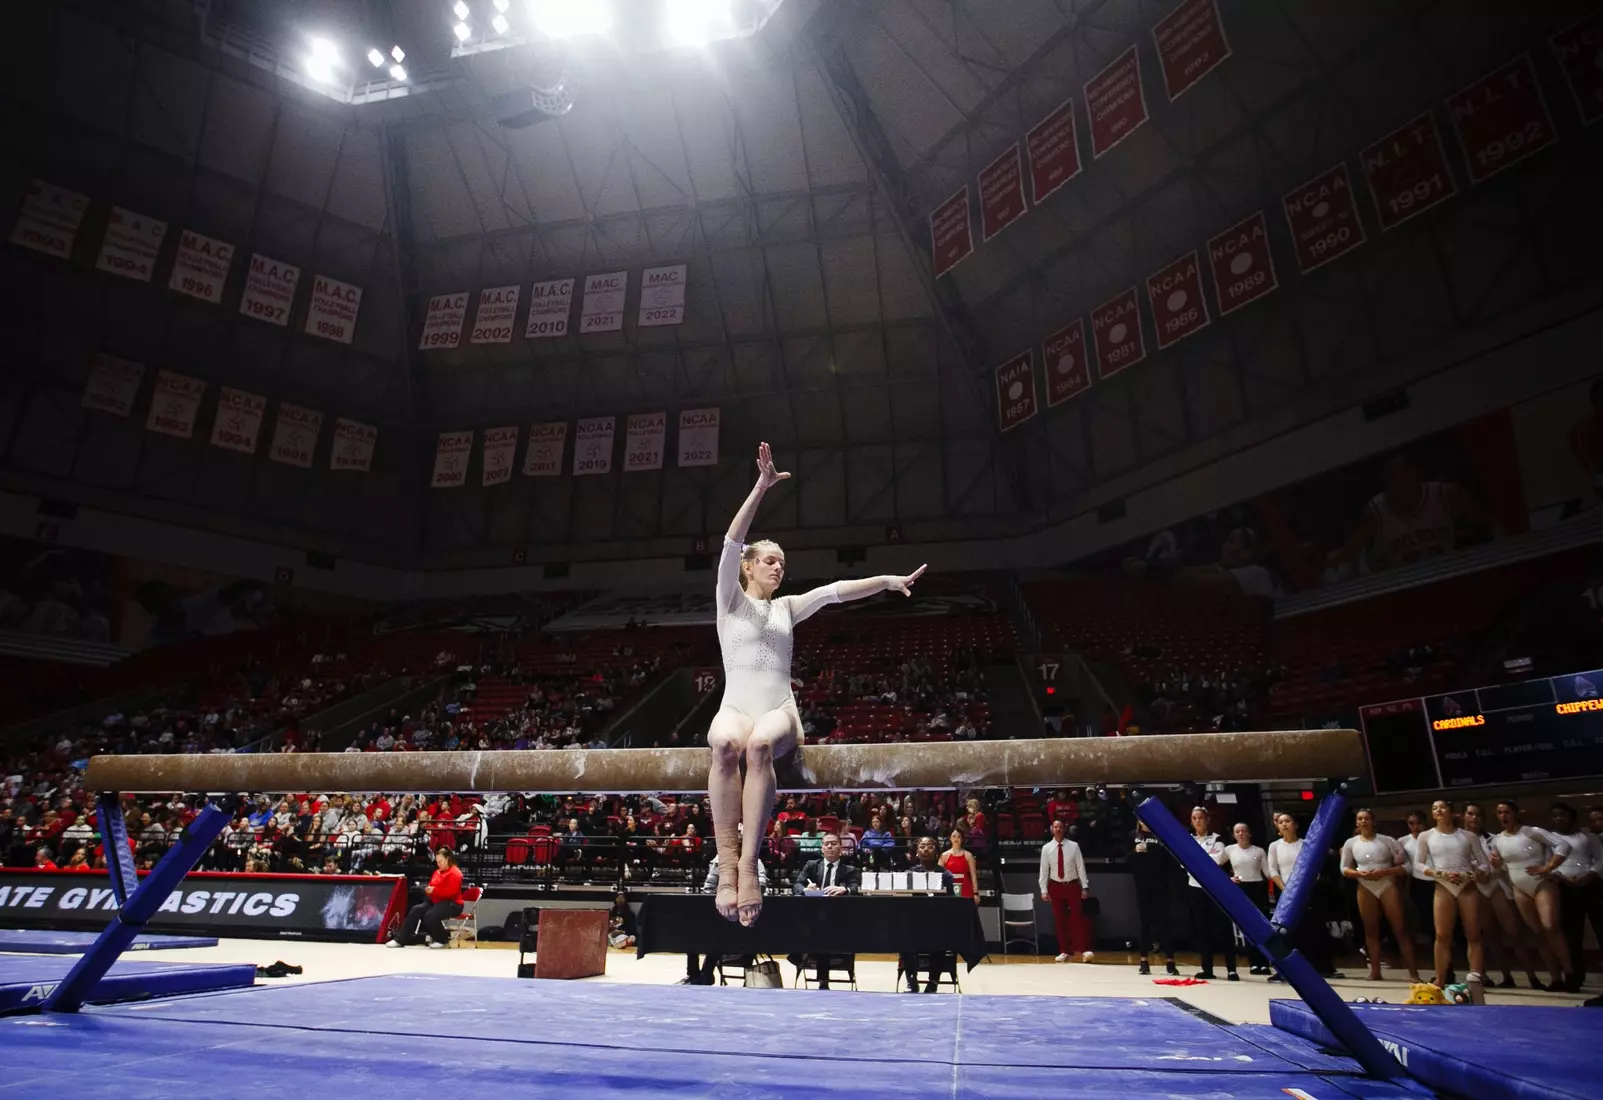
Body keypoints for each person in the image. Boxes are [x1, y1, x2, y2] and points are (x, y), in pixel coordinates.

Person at [708, 442, 926, 926]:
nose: (778, 567)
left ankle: (747, 867)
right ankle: (726, 863)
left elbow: (834, 593)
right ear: (747, 567)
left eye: (782, 563)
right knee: (724, 741)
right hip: (736, 706)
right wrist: (761, 487)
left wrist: (887, 580)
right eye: (769, 560)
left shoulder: (786, 608)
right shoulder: (729, 600)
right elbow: (730, 539)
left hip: (776, 710)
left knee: (761, 744)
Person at [1490, 800, 1572, 991]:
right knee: (1537, 933)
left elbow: (1563, 846)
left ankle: (1569, 972)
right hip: (1519, 887)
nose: (1503, 816)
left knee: (1550, 926)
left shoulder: (1531, 831)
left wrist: (1548, 867)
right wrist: (1497, 864)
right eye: (1500, 813)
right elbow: (1502, 866)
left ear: (1516, 813)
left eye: (1507, 812)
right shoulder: (1497, 839)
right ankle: (1555, 978)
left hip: (1542, 883)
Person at [1464, 802, 1541, 990]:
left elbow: (1501, 864)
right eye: (1470, 814)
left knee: (1514, 933)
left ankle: (1533, 977)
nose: (1474, 818)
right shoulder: (1459, 839)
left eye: (1478, 815)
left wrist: (1490, 870)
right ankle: (1506, 977)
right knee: (1490, 936)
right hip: (1475, 888)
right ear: (1463, 816)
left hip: (1497, 885)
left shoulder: (1493, 839)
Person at [1339, 809, 1419, 983]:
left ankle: (1413, 972)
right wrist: (1360, 874)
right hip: (1365, 885)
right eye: (1360, 819)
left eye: (1367, 818)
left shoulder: (1388, 841)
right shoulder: (1350, 843)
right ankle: (1375, 971)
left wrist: (1386, 871)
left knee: (1400, 929)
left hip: (1387, 884)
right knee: (1371, 930)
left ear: (1373, 821)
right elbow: (1344, 868)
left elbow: (1406, 866)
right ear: (1356, 823)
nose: (1364, 821)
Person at [1416, 799, 1488, 987]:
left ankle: (1476, 977)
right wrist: (1439, 873)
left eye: (1443, 807)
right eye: (1434, 808)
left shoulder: (1468, 836)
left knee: (1473, 934)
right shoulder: (1426, 836)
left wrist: (1468, 875)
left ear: (1452, 812)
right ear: (1433, 814)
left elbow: (1484, 863)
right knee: (1442, 935)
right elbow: (1418, 863)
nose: (1438, 810)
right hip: (1443, 886)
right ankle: (1440, 979)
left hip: (1466, 886)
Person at [1268, 811, 1342, 980]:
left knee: (1314, 928)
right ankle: (1285, 970)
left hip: (1307, 891)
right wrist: (1286, 889)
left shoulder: (1306, 844)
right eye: (1281, 822)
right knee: (1286, 931)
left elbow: (1314, 867)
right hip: (1286, 892)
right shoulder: (1275, 846)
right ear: (1277, 826)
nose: (1285, 824)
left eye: (1288, 820)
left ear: (1295, 824)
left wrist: (1304, 887)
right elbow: (1273, 870)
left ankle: (1322, 967)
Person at [791, 833, 860, 989]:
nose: (829, 846)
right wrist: (805, 889)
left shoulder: (849, 869)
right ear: (822, 848)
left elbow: (856, 888)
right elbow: (797, 885)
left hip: (838, 916)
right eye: (826, 844)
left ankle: (818, 975)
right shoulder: (811, 865)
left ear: (841, 848)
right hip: (814, 914)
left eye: (834, 843)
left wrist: (845, 889)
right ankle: (803, 959)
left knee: (823, 934)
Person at [1549, 801, 1603, 990]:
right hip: (1565, 889)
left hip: (1591, 886)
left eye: (1562, 815)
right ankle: (1574, 978)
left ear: (1571, 817)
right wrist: (1561, 877)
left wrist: (1590, 875)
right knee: (1572, 936)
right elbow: (1548, 864)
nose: (1558, 819)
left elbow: (1600, 858)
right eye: (1555, 816)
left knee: (1600, 930)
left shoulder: (1587, 836)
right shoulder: (1551, 839)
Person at [687, 862, 769, 985]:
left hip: (745, 916)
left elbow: (762, 885)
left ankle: (707, 973)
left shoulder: (755, 861)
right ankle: (695, 975)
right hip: (721, 914)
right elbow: (708, 889)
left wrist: (744, 894)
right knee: (692, 933)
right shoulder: (720, 862)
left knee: (720, 936)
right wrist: (723, 896)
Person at [1184, 806, 1237, 981]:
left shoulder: (1217, 839)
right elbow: (1184, 863)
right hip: (1195, 887)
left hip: (1215, 888)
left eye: (1200, 817)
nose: (1198, 821)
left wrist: (1198, 861)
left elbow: (1216, 860)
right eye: (1194, 818)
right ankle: (1207, 968)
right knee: (1201, 929)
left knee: (1223, 928)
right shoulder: (1187, 840)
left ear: (1207, 820)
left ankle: (1231, 969)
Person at [899, 836, 957, 993]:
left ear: (937, 852)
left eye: (930, 847)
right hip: (915, 921)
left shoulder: (946, 875)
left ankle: (933, 982)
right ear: (917, 852)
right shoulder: (910, 873)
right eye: (922, 846)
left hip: (936, 922)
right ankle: (911, 980)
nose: (925, 849)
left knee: (940, 939)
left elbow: (950, 903)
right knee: (903, 938)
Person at [1038, 818, 1091, 963]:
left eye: (1060, 827)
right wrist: (1043, 889)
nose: (1058, 829)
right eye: (1055, 827)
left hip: (1072, 884)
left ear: (1064, 829)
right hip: (1055, 885)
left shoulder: (1074, 846)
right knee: (1059, 919)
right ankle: (1064, 951)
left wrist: (1084, 885)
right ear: (1051, 829)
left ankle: (1083, 950)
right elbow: (1044, 870)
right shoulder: (1047, 848)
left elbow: (1081, 867)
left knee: (1077, 917)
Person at [387, 849, 464, 949]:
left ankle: (443, 939)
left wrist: (434, 891)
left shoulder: (455, 873)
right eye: (437, 862)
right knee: (416, 910)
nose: (438, 864)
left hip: (452, 903)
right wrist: (429, 890)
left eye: (440, 861)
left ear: (447, 859)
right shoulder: (437, 872)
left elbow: (451, 892)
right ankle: (400, 940)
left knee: (430, 915)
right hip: (435, 900)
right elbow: (432, 885)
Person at [1129, 819, 1177, 976]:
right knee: (1145, 923)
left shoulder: (1161, 836)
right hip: (1142, 885)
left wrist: (1150, 849)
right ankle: (1143, 961)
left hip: (1160, 884)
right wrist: (1135, 852)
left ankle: (1170, 961)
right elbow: (1127, 859)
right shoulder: (1133, 835)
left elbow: (1170, 859)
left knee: (1164, 923)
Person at [1225, 822, 1272, 975]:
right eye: (1237, 831)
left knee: (1260, 926)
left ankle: (1264, 962)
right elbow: (1214, 864)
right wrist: (1229, 879)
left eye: (1244, 831)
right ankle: (1253, 962)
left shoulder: (1259, 851)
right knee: (1247, 926)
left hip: (1257, 888)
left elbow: (1268, 873)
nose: (1241, 834)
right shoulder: (1229, 850)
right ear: (1234, 835)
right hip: (1241, 888)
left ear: (1249, 833)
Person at [1399, 810, 1436, 947]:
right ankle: (1434, 945)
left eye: (1418, 823)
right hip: (1418, 881)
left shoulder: (1433, 836)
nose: (1415, 826)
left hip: (1437, 879)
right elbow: (1405, 863)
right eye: (1411, 823)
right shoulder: (1403, 841)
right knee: (1425, 915)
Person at [941, 828, 981, 908]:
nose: (956, 839)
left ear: (962, 839)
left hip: (965, 887)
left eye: (959, 837)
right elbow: (939, 874)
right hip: (949, 887)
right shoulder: (944, 855)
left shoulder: (968, 855)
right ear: (950, 838)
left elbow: (973, 876)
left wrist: (976, 893)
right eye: (954, 836)